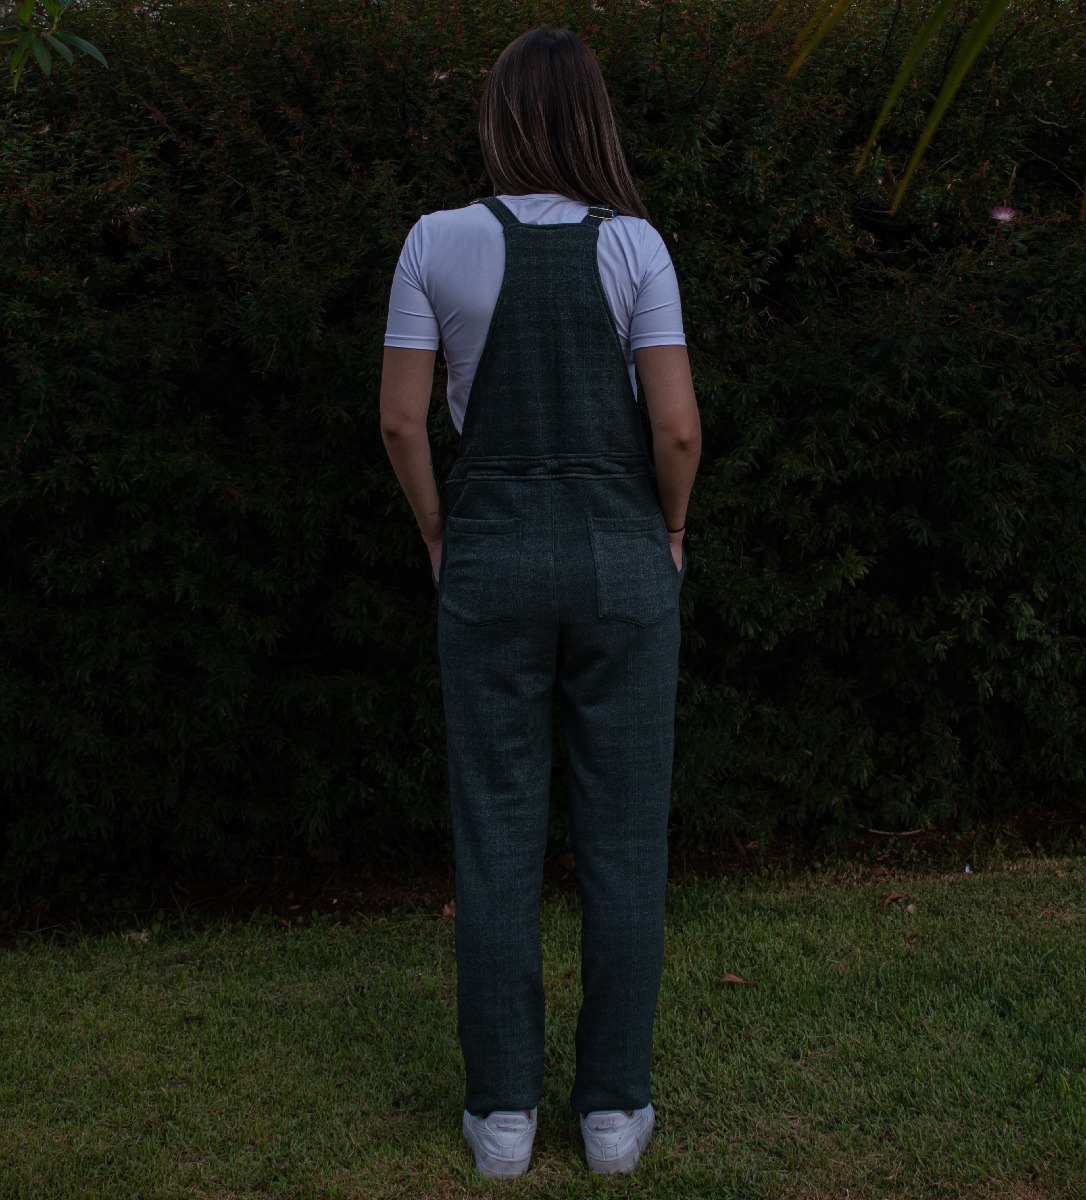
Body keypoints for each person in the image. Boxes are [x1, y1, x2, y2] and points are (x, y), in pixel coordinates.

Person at [379, 25, 701, 1180]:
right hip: (621, 563)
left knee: (498, 833)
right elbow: (677, 428)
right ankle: (613, 1116)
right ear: (592, 118)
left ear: (502, 116)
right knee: (624, 839)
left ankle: (504, 1118)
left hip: (492, 562)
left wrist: (438, 531)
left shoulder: (435, 240)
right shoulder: (637, 247)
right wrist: (670, 531)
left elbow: (401, 421)